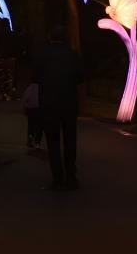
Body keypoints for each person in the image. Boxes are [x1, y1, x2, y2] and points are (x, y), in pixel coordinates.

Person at [32, 25, 82, 189]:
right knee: (69, 140)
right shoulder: (72, 55)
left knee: (53, 141)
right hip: (69, 102)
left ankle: (57, 177)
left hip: (49, 103)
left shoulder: (43, 55)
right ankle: (71, 176)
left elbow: (36, 77)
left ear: (50, 37)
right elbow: (80, 77)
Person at [23, 80, 43, 149]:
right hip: (39, 109)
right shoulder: (42, 88)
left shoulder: (29, 88)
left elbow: (25, 98)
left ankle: (30, 137)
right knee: (39, 126)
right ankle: (37, 142)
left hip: (31, 109)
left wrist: (25, 107)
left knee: (31, 124)